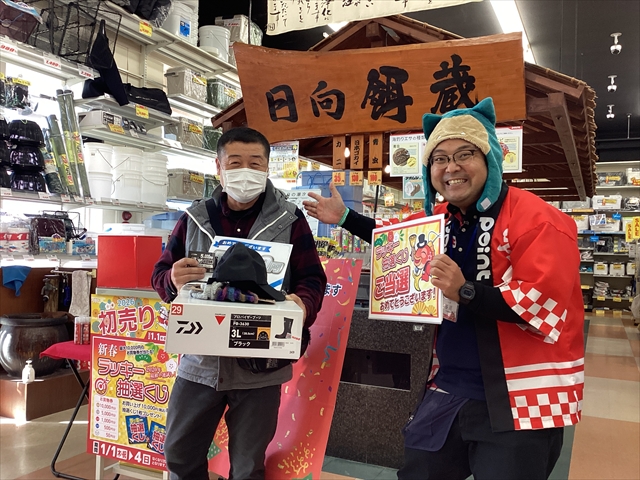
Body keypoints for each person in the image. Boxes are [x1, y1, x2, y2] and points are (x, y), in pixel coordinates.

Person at [303, 98, 584, 480]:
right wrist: (345, 218)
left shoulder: (539, 219)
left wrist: (465, 290)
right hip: (448, 384)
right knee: (417, 470)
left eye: (465, 154)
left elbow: (543, 305)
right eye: (439, 158)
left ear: (490, 158)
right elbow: (395, 240)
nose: (451, 167)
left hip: (520, 395)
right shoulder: (440, 219)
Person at [152, 126, 327, 480]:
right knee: (179, 453)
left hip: (261, 365)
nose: (245, 171)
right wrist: (172, 279)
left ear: (267, 168)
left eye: (255, 163)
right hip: (200, 361)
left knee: (248, 466)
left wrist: (302, 304)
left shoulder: (290, 220)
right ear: (219, 168)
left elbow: (313, 279)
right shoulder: (195, 218)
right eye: (235, 163)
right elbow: (160, 274)